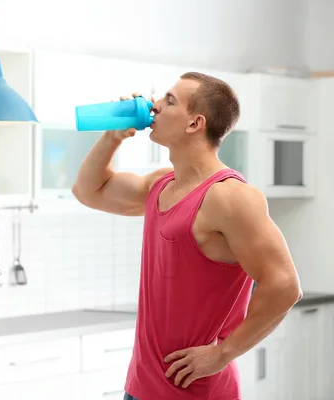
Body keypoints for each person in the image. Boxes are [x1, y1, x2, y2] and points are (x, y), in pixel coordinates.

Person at [72, 72, 303, 400]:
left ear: (195, 123)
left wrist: (223, 353)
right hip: (140, 387)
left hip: (195, 393)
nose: (155, 105)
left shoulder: (230, 197)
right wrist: (112, 137)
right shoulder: (161, 184)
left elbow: (284, 285)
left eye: (169, 101)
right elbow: (87, 191)